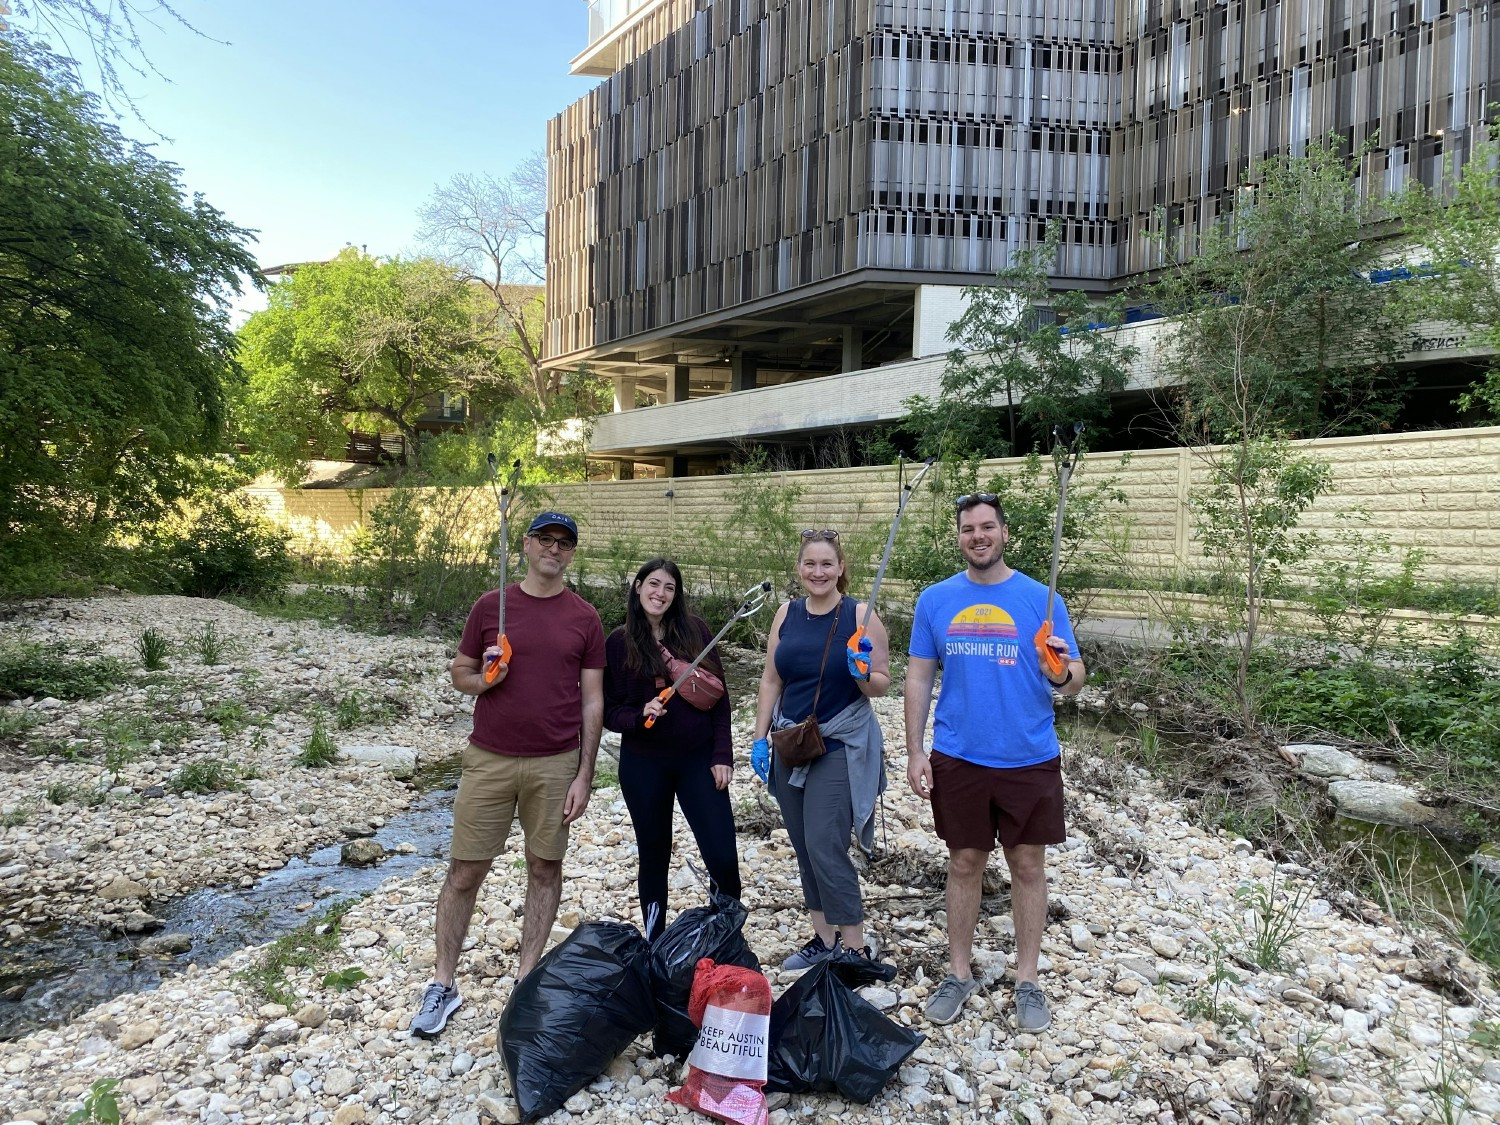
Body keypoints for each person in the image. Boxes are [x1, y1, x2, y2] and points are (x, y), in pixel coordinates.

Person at [409, 510, 606, 1038]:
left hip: (556, 761)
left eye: (565, 543)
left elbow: (593, 701)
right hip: (489, 758)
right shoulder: (489, 606)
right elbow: (460, 672)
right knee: (464, 872)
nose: (555, 549)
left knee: (544, 867)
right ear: (526, 545)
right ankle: (443, 985)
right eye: (546, 539)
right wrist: (485, 679)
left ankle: (525, 982)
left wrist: (585, 773)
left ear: (571, 553)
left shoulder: (585, 617)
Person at [903, 493, 1085, 1030]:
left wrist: (1057, 671)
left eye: (987, 527)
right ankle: (958, 972)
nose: (977, 536)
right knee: (963, 863)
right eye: (967, 529)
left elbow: (1074, 678)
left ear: (1004, 533)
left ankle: (1027, 979)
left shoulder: (1041, 598)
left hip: (1028, 755)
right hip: (959, 754)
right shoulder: (935, 600)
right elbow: (917, 676)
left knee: (1028, 867)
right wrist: (915, 750)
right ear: (958, 537)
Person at [750, 528, 896, 979]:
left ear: (841, 568)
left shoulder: (861, 615)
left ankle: (855, 949)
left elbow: (882, 684)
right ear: (799, 568)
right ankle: (823, 940)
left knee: (825, 843)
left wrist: (861, 673)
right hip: (790, 740)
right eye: (810, 564)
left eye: (827, 564)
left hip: (838, 743)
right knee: (803, 846)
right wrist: (759, 738)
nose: (818, 572)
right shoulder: (784, 615)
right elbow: (772, 680)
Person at [603, 558, 742, 940]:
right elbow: (608, 711)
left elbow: (720, 697)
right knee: (653, 854)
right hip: (644, 764)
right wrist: (637, 715)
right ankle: (655, 941)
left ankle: (725, 933)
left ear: (676, 594)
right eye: (653, 584)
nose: (659, 593)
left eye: (669, 587)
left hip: (697, 759)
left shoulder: (695, 631)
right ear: (638, 586)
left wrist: (721, 756)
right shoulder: (617, 643)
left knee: (722, 856)